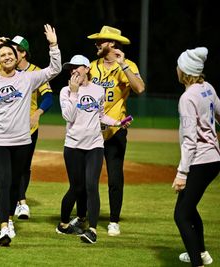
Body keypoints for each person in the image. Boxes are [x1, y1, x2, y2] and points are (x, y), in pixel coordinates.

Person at [0, 24, 61, 246]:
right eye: (2, 55)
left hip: (22, 141)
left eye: (10, 54)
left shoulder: (27, 78)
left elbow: (54, 70)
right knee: (3, 183)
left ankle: (8, 217)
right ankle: (4, 228)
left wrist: (53, 45)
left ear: (18, 57)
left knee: (15, 183)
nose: (7, 57)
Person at [0, 35, 54, 220]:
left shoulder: (34, 72)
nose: (10, 52)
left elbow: (49, 96)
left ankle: (21, 202)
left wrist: (38, 113)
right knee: (6, 174)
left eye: (15, 49)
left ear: (23, 53)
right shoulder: (1, 67)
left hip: (29, 128)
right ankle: (16, 204)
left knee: (23, 167)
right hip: (4, 130)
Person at [56, 55, 129, 244]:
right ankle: (63, 224)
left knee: (91, 185)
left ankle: (92, 230)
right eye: (70, 68)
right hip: (73, 146)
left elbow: (101, 115)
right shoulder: (65, 91)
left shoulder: (98, 90)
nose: (73, 70)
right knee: (76, 187)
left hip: (95, 145)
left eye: (77, 67)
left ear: (87, 69)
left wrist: (118, 123)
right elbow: (68, 116)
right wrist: (73, 93)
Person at [87, 25, 145, 236]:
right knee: (88, 178)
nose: (97, 44)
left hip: (116, 131)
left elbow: (139, 89)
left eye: (100, 41)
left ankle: (113, 220)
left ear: (111, 43)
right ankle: (84, 216)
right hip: (92, 130)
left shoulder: (127, 65)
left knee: (114, 178)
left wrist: (123, 66)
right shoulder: (92, 67)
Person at [172, 47, 218, 266]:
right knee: (189, 208)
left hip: (200, 161)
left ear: (185, 70)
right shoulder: (207, 87)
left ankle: (197, 262)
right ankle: (201, 253)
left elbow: (190, 140)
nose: (177, 69)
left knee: (181, 215)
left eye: (179, 65)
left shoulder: (187, 97)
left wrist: (182, 173)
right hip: (213, 160)